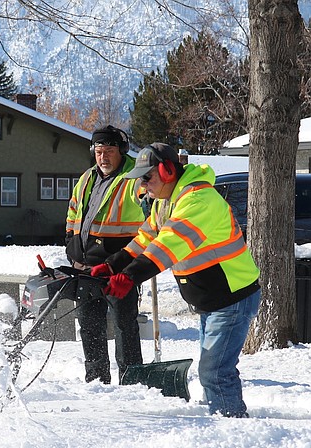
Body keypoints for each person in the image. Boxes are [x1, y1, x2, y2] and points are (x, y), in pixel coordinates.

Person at [94, 143, 260, 417]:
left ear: (167, 171)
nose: (143, 185)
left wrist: (130, 277)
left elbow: (168, 247)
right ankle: (221, 415)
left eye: (147, 177)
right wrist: (114, 265)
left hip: (233, 298)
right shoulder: (166, 201)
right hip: (214, 300)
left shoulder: (198, 201)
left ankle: (232, 425)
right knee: (212, 370)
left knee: (215, 370)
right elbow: (148, 237)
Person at [65, 125, 145, 384]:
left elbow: (153, 205)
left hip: (119, 267)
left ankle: (130, 378)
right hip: (85, 266)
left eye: (109, 151)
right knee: (89, 325)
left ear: (121, 150)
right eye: (99, 151)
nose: (103, 157)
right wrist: (71, 244)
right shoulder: (87, 177)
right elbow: (73, 212)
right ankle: (96, 378)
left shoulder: (135, 177)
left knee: (124, 325)